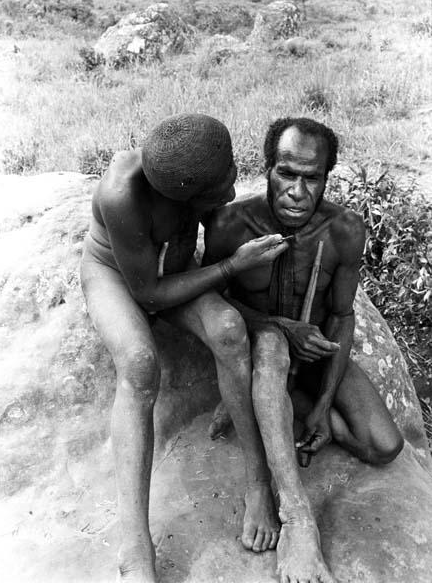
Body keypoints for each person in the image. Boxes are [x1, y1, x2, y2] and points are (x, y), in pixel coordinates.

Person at [80, 113, 289, 583]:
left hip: (174, 273)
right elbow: (148, 294)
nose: (233, 191)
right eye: (221, 191)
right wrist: (233, 267)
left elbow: (211, 243)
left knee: (230, 330)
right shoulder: (122, 193)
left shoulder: (196, 160)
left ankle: (259, 484)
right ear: (182, 195)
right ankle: (135, 546)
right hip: (118, 277)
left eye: (233, 174)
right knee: (138, 364)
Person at [204, 117, 404, 583]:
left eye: (311, 178)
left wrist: (326, 403)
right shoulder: (232, 224)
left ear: (326, 179)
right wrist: (275, 326)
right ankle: (297, 519)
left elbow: (341, 318)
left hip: (311, 356)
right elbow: (216, 306)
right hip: (259, 350)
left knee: (385, 446)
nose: (296, 190)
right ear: (267, 168)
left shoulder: (345, 230)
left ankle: (293, 413)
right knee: (273, 349)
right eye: (285, 173)